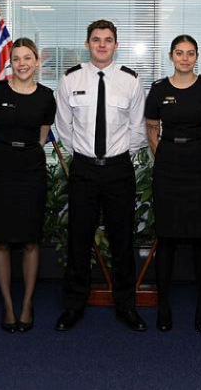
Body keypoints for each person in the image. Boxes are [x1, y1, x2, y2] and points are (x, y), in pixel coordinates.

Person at [54, 19, 148, 332]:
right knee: (78, 240)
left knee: (122, 240)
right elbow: (64, 128)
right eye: (96, 39)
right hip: (83, 169)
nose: (102, 45)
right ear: (87, 44)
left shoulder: (130, 81)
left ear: (116, 45)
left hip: (119, 169)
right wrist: (87, 154)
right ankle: (73, 307)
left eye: (108, 40)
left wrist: (116, 153)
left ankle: (127, 307)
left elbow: (138, 129)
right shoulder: (70, 79)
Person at [144, 35, 201, 332]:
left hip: (200, 165)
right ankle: (163, 307)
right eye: (180, 53)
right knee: (166, 239)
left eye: (190, 53)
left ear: (197, 56)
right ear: (171, 55)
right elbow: (151, 128)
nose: (185, 59)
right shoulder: (158, 90)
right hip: (168, 167)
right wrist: (163, 155)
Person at [0, 38, 56, 333]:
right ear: (10, 61)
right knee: (0, 240)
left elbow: (41, 137)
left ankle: (26, 304)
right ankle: (9, 305)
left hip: (31, 171)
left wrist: (23, 156)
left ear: (37, 62)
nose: (23, 63)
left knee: (30, 240)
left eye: (28, 58)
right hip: (1, 169)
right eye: (17, 58)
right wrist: (1, 157)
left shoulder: (46, 97)